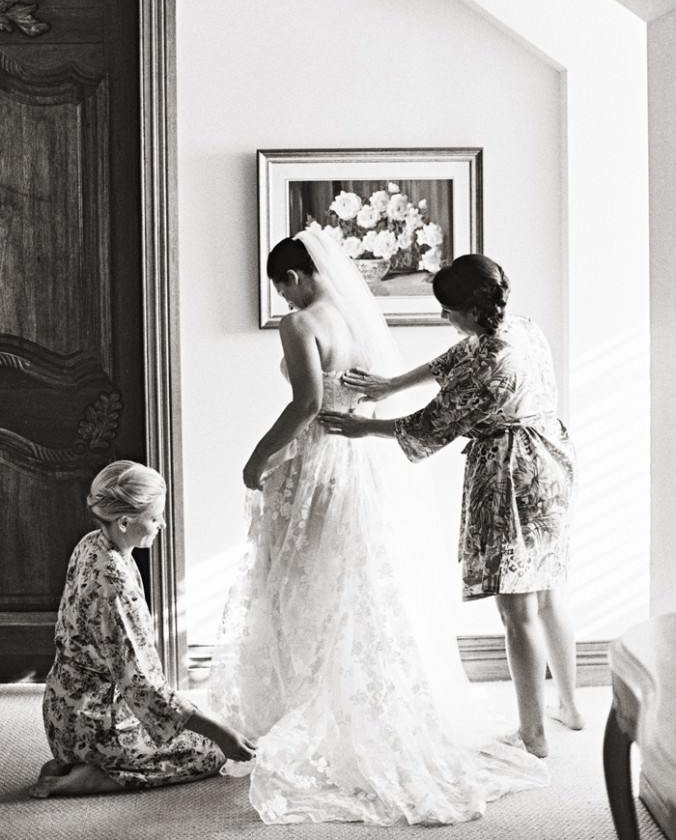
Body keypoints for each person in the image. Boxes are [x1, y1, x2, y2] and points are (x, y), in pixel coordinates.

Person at [208, 229, 549, 826]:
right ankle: (353, 702)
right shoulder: (353, 313)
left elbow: (307, 404)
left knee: (299, 582)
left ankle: (306, 707)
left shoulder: (301, 323)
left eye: (281, 288)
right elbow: (394, 383)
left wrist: (257, 458)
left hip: (317, 459)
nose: (284, 300)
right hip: (358, 462)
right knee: (356, 581)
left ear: (291, 278)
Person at [321, 253, 584, 759]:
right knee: (550, 589)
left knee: (517, 607)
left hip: (512, 472)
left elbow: (430, 425)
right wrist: (391, 385)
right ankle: (569, 706)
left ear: (470, 309)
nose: (444, 318)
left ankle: (533, 734)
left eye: (448, 310)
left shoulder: (490, 362)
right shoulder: (522, 328)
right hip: (552, 461)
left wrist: (364, 427)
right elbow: (452, 359)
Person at [30, 460, 255, 798]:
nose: (162, 524)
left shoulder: (90, 544)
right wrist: (220, 734)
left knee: (196, 729)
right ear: (124, 522)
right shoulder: (115, 585)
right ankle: (94, 777)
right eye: (154, 518)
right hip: (98, 725)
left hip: (61, 716)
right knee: (210, 752)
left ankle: (70, 761)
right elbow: (144, 689)